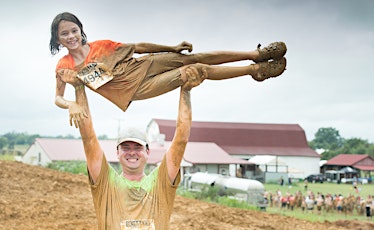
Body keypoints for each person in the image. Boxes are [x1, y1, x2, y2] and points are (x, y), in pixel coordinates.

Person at [51, 12, 287, 113]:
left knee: (193, 57)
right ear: (58, 39)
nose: (71, 37)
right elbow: (58, 97)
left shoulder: (102, 45)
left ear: (81, 30)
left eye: (74, 30)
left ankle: (254, 54)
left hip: (142, 65)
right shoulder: (65, 66)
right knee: (195, 70)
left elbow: (138, 47)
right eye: (65, 34)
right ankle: (255, 70)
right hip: (134, 89)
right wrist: (70, 104)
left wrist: (172, 47)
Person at [66, 62, 205, 229]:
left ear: (147, 151)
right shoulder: (106, 183)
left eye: (137, 147)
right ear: (117, 152)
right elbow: (88, 138)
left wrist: (186, 91)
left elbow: (181, 138)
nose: (132, 153)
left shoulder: (161, 183)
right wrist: (78, 88)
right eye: (126, 148)